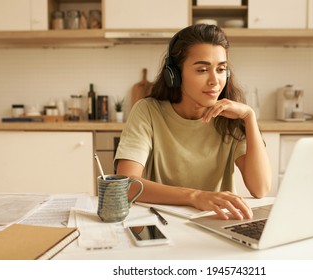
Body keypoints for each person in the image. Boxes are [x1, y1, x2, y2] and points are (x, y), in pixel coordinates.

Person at [115, 24, 271, 220]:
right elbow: (126, 184)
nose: (215, 80)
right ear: (175, 75)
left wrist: (249, 117)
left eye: (221, 69)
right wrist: (195, 196)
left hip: (219, 222)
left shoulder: (231, 117)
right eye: (202, 70)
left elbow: (260, 188)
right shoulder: (148, 111)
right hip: (165, 222)